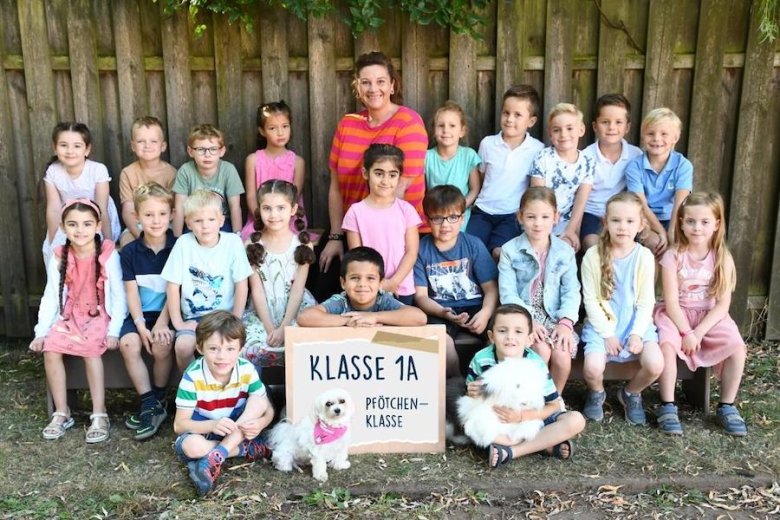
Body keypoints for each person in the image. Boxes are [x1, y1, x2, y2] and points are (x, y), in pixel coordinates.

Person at [317, 51, 429, 299]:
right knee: (324, 284)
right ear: (357, 86)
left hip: (394, 231)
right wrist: (336, 236)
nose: (373, 88)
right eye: (365, 82)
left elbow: (399, 187)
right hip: (352, 225)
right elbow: (336, 186)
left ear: (392, 85)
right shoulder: (347, 123)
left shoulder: (408, 122)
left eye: (380, 81)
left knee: (373, 295)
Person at [29, 199, 127, 443]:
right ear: (62, 227)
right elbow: (52, 295)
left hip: (98, 314)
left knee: (91, 349)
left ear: (98, 226)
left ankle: (99, 413)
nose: (79, 230)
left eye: (86, 224)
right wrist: (41, 331)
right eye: (72, 224)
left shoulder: (107, 253)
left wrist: (114, 330)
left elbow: (118, 295)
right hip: (70, 315)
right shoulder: (60, 255)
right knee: (51, 348)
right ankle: (62, 412)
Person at [654, 192, 747, 436]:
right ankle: (667, 405)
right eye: (691, 221)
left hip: (709, 316)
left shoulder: (722, 258)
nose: (697, 228)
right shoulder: (672, 256)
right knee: (666, 345)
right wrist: (686, 331)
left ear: (716, 224)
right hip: (677, 315)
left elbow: (722, 305)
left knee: (737, 346)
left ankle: (727, 405)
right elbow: (671, 301)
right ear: (681, 223)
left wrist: (698, 332)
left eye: (705, 222)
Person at [465, 304, 585, 468]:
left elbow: (553, 404)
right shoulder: (481, 359)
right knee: (470, 424)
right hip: (500, 418)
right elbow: (471, 397)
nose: (510, 337)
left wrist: (522, 417)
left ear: (529, 339)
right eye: (502, 331)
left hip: (533, 414)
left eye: (518, 332)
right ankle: (545, 444)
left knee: (576, 421)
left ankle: (511, 452)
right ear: (491, 336)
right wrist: (472, 391)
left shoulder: (536, 364)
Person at [580, 192, 664, 424]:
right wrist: (607, 334)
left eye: (630, 221)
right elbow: (591, 300)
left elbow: (647, 300)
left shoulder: (644, 257)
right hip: (603, 325)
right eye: (616, 220)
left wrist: (637, 333)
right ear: (605, 223)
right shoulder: (593, 256)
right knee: (592, 368)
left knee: (655, 364)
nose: (622, 227)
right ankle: (596, 393)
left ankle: (630, 393)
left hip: (636, 323)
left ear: (641, 225)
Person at [173, 311, 274, 496]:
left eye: (230, 349)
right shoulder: (193, 376)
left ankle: (214, 457)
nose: (222, 357)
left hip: (236, 424)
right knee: (192, 447)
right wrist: (213, 424)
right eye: (213, 349)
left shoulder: (246, 369)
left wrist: (260, 424)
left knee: (259, 401)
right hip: (206, 430)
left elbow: (267, 409)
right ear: (200, 348)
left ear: (241, 349)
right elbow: (179, 425)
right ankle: (243, 449)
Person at [498, 187, 580, 393]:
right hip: (523, 315)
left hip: (555, 316)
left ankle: (555, 400)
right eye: (531, 217)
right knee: (541, 351)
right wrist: (527, 321)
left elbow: (572, 290)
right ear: (520, 217)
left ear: (556, 217)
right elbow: (508, 293)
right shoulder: (510, 250)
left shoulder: (565, 251)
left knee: (561, 353)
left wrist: (566, 323)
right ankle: (533, 398)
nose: (538, 223)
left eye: (545, 216)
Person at [162, 189, 253, 372]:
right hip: (194, 317)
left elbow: (242, 284)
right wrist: (178, 323)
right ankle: (191, 390)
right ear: (188, 223)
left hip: (226, 314)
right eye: (198, 221)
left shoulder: (233, 243)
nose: (205, 226)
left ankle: (231, 391)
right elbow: (172, 287)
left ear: (221, 221)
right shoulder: (183, 244)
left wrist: (236, 318)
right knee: (183, 346)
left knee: (238, 346)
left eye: (211, 220)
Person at [414, 185, 497, 377]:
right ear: (428, 219)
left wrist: (485, 313)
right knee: (441, 341)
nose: (445, 225)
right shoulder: (421, 249)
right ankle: (455, 385)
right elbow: (421, 296)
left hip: (475, 306)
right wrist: (443, 312)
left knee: (498, 335)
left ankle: (487, 385)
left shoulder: (473, 244)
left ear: (462, 218)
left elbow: (491, 288)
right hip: (440, 308)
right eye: (437, 218)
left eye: (452, 217)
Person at [119, 183, 177, 440]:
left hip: (169, 313)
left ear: (172, 215)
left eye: (162, 214)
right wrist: (141, 326)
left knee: (162, 344)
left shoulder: (179, 247)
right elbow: (131, 293)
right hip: (140, 314)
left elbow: (177, 291)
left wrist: (161, 324)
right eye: (149, 215)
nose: (156, 220)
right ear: (137, 217)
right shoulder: (130, 252)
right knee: (129, 344)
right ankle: (148, 402)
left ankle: (160, 395)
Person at [242, 180, 316, 369]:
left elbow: (298, 290)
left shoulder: (302, 244)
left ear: (293, 209)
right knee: (251, 347)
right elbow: (257, 290)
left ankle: (294, 394)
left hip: (294, 309)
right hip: (262, 312)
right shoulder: (251, 244)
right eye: (267, 208)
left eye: (281, 208)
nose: (274, 215)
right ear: (259, 210)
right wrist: (269, 329)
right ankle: (259, 394)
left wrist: (283, 328)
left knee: (304, 344)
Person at [466, 85, 544, 260]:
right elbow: (483, 176)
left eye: (518, 115)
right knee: (471, 247)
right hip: (483, 210)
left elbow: (534, 187)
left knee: (498, 252)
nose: (509, 119)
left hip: (512, 214)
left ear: (531, 122)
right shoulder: (488, 144)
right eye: (506, 113)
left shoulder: (537, 150)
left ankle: (496, 286)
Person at [342, 144, 421, 304]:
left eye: (392, 175)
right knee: (372, 328)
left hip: (401, 288)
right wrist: (377, 284)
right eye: (379, 173)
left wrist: (393, 283)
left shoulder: (406, 210)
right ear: (366, 173)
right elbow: (357, 257)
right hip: (367, 290)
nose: (385, 181)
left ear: (399, 177)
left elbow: (411, 253)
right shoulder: (355, 212)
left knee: (397, 329)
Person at [42, 122, 120, 264]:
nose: (70, 151)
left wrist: (108, 242)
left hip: (96, 217)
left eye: (77, 146)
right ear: (55, 148)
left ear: (87, 149)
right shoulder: (53, 171)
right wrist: (54, 240)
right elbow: (53, 208)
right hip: (67, 218)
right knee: (57, 256)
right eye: (63, 145)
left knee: (96, 255)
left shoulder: (97, 170)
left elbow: (102, 207)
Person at [297, 246, 426, 327]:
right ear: (343, 283)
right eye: (354, 278)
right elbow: (305, 317)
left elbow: (419, 318)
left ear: (380, 283)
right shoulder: (341, 301)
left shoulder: (383, 300)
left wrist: (374, 318)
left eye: (370, 278)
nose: (362, 284)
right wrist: (349, 321)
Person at [624, 108, 693, 255]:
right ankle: (650, 278)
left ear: (675, 137)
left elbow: (680, 203)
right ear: (643, 136)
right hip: (644, 218)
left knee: (679, 244)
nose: (656, 138)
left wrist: (672, 232)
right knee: (656, 244)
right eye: (650, 133)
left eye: (664, 134)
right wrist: (661, 232)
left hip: (672, 218)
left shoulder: (683, 165)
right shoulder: (634, 167)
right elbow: (641, 205)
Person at [529, 103, 595, 252]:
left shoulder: (587, 162)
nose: (563, 134)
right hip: (540, 219)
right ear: (550, 134)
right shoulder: (543, 157)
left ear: (581, 130)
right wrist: (545, 232)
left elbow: (581, 200)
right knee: (543, 248)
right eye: (557, 130)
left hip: (567, 222)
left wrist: (572, 230)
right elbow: (537, 197)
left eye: (569, 128)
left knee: (564, 247)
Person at [580, 94, 642, 250]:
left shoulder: (636, 155)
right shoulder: (586, 156)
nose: (612, 127)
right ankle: (601, 273)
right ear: (595, 126)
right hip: (593, 213)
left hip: (624, 214)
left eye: (618, 122)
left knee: (629, 247)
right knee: (592, 244)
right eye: (605, 122)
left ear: (627, 127)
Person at [240, 101, 307, 240]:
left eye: (285, 126)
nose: (280, 132)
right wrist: (263, 218)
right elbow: (251, 197)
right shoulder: (253, 160)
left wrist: (279, 219)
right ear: (262, 131)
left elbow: (294, 197)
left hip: (289, 220)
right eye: (272, 128)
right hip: (260, 219)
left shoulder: (297, 162)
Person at [172, 124, 244, 236]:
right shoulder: (186, 171)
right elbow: (180, 207)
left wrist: (237, 235)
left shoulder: (228, 170)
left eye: (213, 149)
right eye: (201, 149)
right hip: (195, 222)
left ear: (222, 151)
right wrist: (177, 238)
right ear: (191, 152)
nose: (207, 155)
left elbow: (235, 206)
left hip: (220, 222)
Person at [118, 116, 177, 247]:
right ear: (133, 146)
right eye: (140, 141)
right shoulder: (128, 173)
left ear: (163, 146)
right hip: (138, 223)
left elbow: (173, 211)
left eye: (153, 141)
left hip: (163, 223)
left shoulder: (171, 173)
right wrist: (140, 235)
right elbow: (128, 211)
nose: (147, 146)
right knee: (126, 242)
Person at [424, 101, 481, 227]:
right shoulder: (427, 157)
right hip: (435, 217)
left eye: (452, 126)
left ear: (462, 131)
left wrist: (458, 210)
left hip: (461, 217)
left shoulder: (468, 156)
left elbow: (475, 189)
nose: (446, 130)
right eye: (440, 125)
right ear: (434, 130)